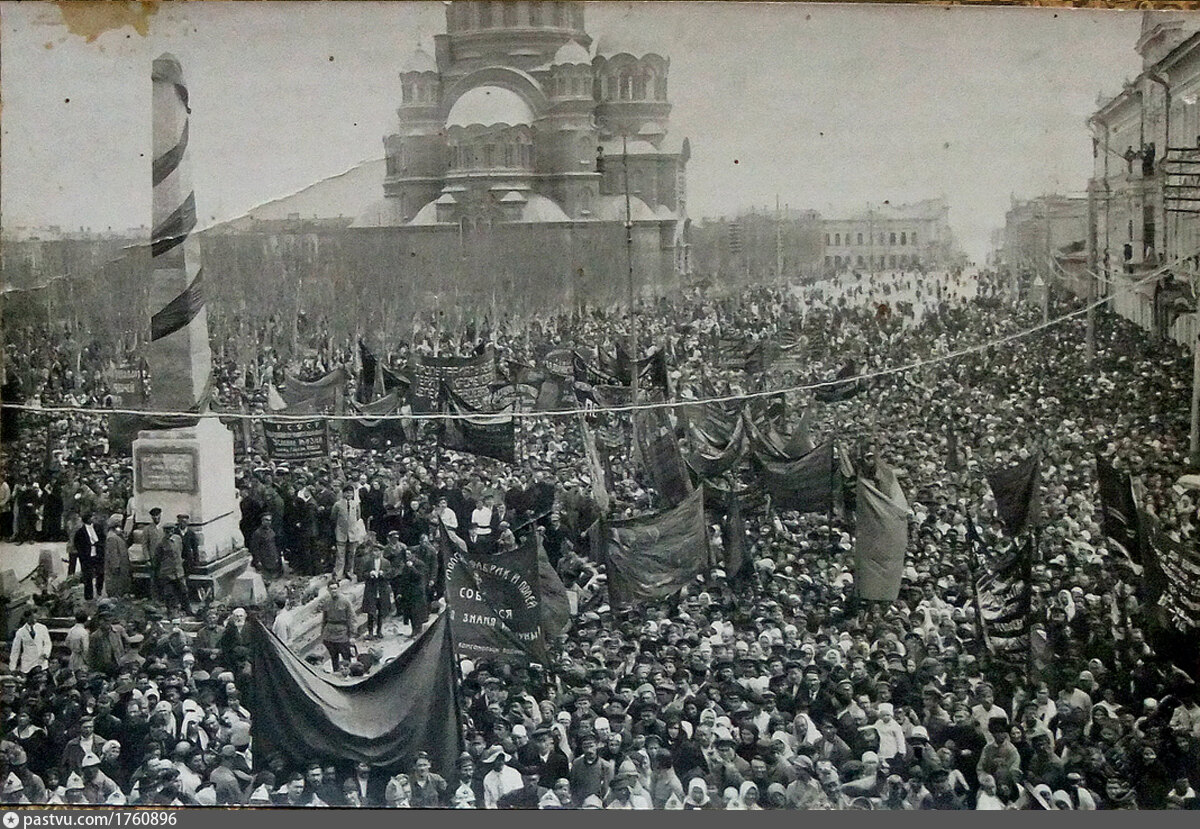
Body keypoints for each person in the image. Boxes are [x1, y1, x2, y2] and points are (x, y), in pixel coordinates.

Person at [357, 538, 394, 639]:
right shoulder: (368, 562)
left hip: (382, 589)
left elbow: (390, 574)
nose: (375, 553)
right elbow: (361, 574)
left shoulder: (386, 563)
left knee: (381, 611)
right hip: (371, 589)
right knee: (371, 612)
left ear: (381, 552)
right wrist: (369, 574)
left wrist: (383, 574)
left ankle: (379, 631)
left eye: (377, 551)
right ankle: (370, 632)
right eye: (374, 551)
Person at [320, 579, 355, 672]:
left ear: (339, 588)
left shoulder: (345, 601)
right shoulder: (327, 602)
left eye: (335, 588)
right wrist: (322, 633)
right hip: (330, 634)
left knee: (346, 658)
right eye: (331, 589)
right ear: (328, 590)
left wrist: (352, 635)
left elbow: (351, 618)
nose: (333, 591)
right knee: (333, 657)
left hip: (342, 633)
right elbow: (324, 619)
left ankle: (348, 674)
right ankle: (336, 674)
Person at [71, 510, 104, 600]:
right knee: (88, 576)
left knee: (100, 573)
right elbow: (77, 544)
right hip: (87, 556)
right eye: (91, 517)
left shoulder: (98, 528)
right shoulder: (80, 532)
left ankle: (99, 590)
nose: (93, 518)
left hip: (98, 554)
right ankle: (89, 595)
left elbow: (102, 539)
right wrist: (82, 555)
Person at [332, 484, 362, 582]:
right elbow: (333, 517)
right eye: (347, 493)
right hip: (341, 533)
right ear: (343, 493)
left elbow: (358, 517)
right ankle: (339, 573)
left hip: (352, 533)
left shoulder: (356, 504)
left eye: (351, 493)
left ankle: (349, 571)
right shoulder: (338, 504)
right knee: (340, 555)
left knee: (351, 554)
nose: (349, 494)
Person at [9, 609, 51, 675]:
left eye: (35, 617)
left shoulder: (42, 628)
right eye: (32, 618)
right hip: (27, 664)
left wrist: (46, 653)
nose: (34, 620)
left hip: (41, 662)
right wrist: (12, 667)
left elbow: (48, 643)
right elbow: (15, 650)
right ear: (27, 618)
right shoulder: (20, 632)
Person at [103, 513, 131, 599]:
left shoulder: (117, 535)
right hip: (117, 568)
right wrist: (115, 566)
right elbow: (113, 554)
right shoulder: (112, 537)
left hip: (122, 565)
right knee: (115, 585)